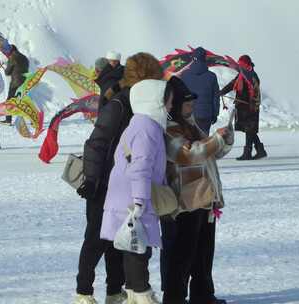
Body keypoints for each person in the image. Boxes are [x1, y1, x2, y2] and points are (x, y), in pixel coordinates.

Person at [74, 52, 164, 304]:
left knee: (121, 239)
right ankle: (83, 292)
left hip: (126, 182)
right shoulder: (121, 104)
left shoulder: (146, 107)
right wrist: (91, 180)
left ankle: (115, 290)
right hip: (104, 181)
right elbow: (96, 142)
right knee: (96, 239)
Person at [101, 79, 174, 304]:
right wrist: (140, 201)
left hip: (127, 196)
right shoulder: (146, 129)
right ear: (155, 102)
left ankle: (135, 294)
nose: (171, 106)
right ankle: (141, 295)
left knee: (136, 249)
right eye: (168, 101)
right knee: (137, 251)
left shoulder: (141, 124)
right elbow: (140, 167)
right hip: (132, 199)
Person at [161, 77, 232, 304]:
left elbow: (212, 150)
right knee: (183, 254)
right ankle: (175, 298)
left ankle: (203, 294)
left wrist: (225, 139)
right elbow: (187, 154)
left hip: (204, 198)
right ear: (174, 105)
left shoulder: (190, 124)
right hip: (184, 201)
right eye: (188, 103)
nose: (192, 108)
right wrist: (216, 140)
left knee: (203, 252)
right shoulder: (167, 129)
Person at [219, 55, 265, 160]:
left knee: (249, 130)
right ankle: (260, 150)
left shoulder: (253, 76)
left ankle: (248, 153)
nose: (240, 66)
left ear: (246, 64)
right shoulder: (241, 75)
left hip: (251, 107)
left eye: (241, 64)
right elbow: (232, 84)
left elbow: (256, 93)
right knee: (249, 130)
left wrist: (253, 104)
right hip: (243, 107)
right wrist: (222, 92)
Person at [180, 47, 220, 135]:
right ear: (204, 58)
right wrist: (215, 114)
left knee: (190, 142)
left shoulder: (184, 75)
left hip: (188, 115)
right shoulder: (212, 76)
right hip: (205, 115)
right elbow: (215, 97)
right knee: (204, 143)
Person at [0, 45, 30, 125]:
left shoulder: (12, 57)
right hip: (25, 82)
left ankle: (8, 120)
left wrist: (5, 67)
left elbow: (7, 72)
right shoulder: (24, 57)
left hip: (15, 83)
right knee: (23, 101)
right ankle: (32, 119)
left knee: (9, 101)